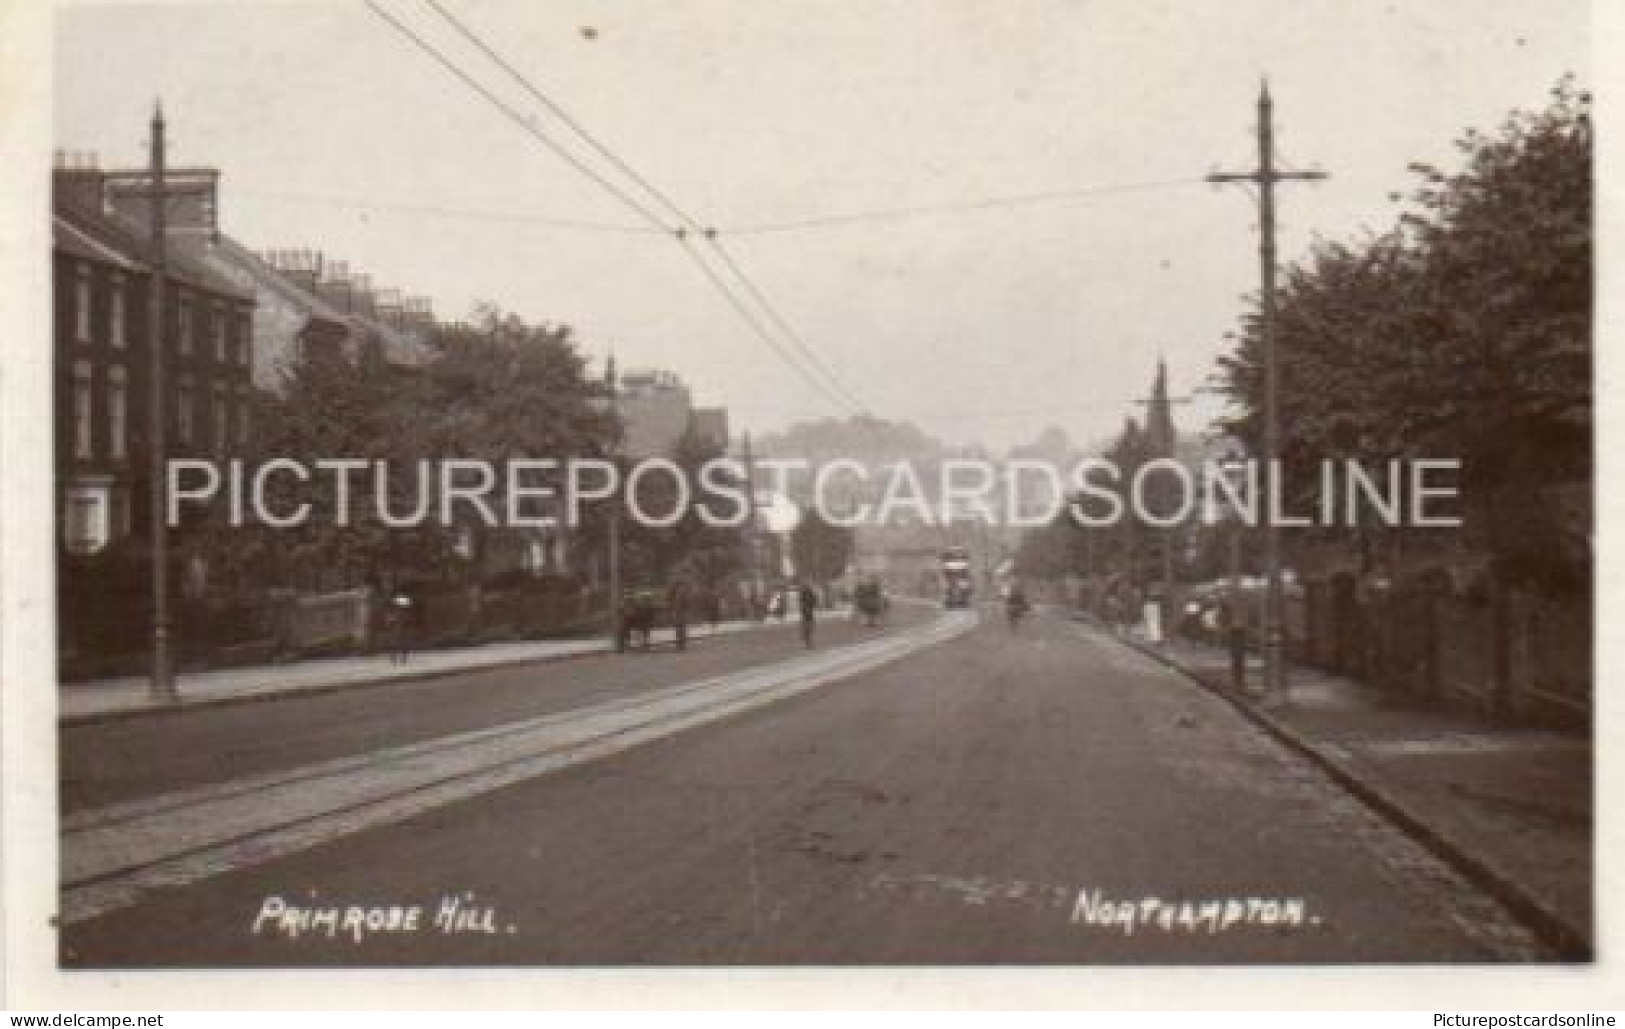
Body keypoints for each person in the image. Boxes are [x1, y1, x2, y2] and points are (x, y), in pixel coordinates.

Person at [798, 581, 819, 648]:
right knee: (807, 628)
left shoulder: (809, 592)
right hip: (806, 612)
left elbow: (814, 601)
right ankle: (807, 642)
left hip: (808, 612)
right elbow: (802, 602)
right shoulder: (805, 593)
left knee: (808, 628)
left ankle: (808, 642)